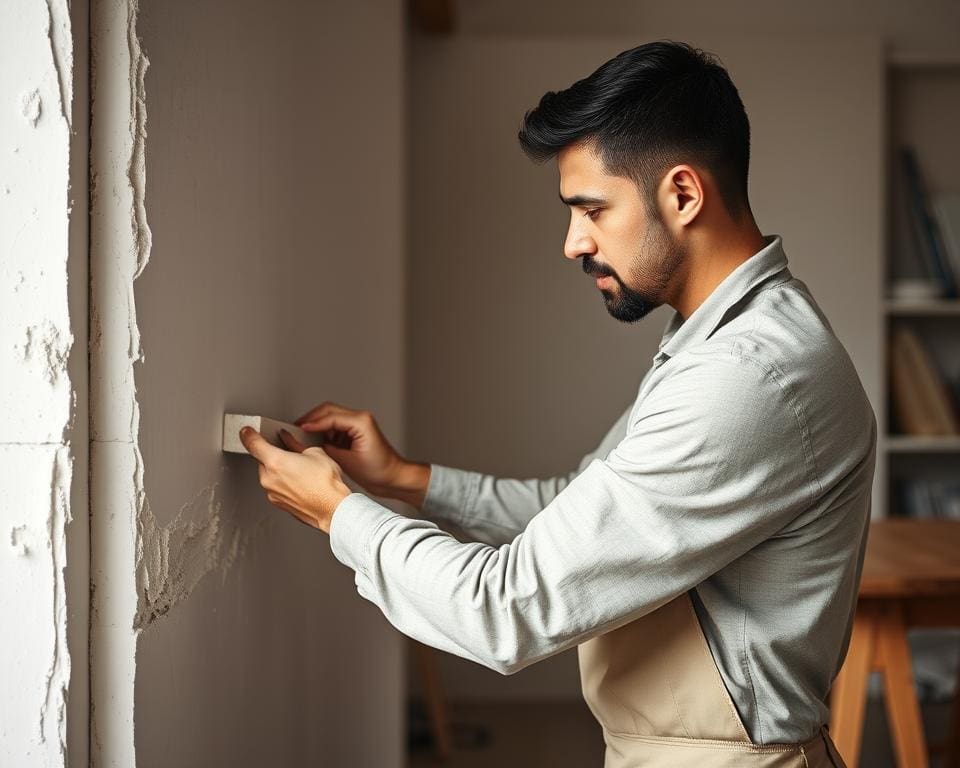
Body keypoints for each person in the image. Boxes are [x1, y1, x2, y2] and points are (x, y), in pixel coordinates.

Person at [239, 39, 875, 767]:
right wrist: (403, 478)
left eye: (592, 210)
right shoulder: (718, 344)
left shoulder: (746, 377)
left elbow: (504, 609)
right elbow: (578, 510)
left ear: (683, 194)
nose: (573, 242)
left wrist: (338, 512)